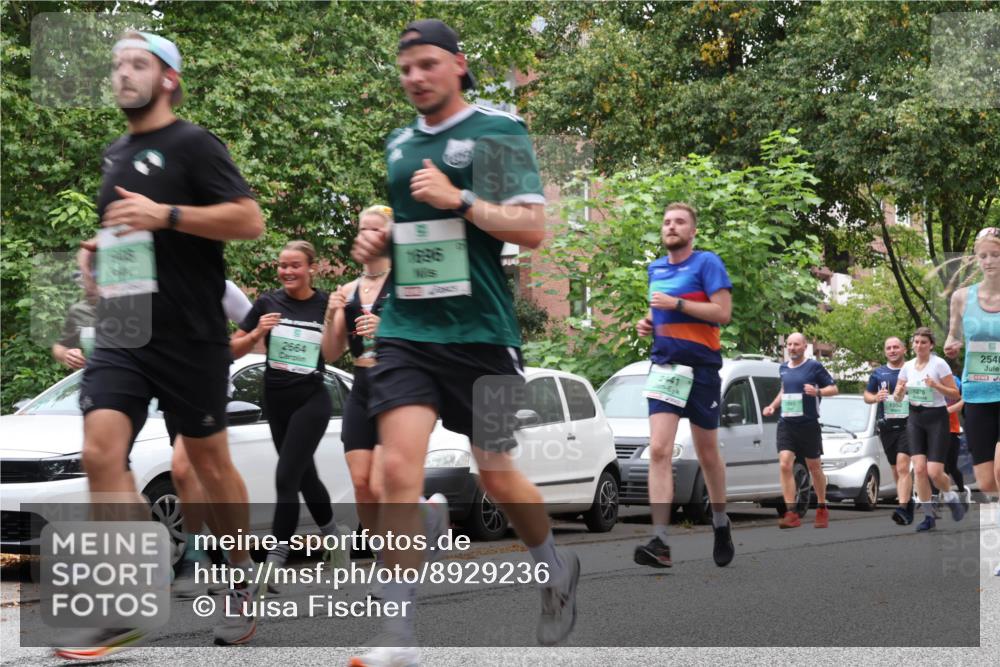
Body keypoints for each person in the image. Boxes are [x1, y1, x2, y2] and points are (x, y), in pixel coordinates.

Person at [348, 19, 578, 666]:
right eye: (405, 69)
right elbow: (409, 235)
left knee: (499, 474)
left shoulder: (498, 130)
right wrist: (376, 243)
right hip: (407, 331)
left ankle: (555, 570)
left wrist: (462, 198)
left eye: (426, 64)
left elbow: (532, 230)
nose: (415, 78)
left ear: (458, 64)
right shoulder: (396, 145)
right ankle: (398, 636)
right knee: (396, 470)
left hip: (487, 335)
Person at [56, 32, 264, 660]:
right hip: (123, 330)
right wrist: (97, 255)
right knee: (100, 452)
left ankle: (236, 579)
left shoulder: (195, 144)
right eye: (117, 64)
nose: (122, 74)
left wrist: (167, 214)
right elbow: (126, 230)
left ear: (169, 77)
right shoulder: (115, 153)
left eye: (137, 64)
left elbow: (248, 220)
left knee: (206, 466)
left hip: (189, 334)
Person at [230, 241, 346, 580]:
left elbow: (338, 350)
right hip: (275, 401)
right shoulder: (267, 302)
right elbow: (232, 350)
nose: (287, 271)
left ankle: (275, 559)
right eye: (282, 265)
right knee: (305, 477)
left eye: (295, 265)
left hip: (312, 399)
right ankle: (334, 539)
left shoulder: (326, 303)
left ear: (311, 267)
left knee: (286, 476)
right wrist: (257, 333)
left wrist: (336, 316)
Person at [633, 202, 734, 570]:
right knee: (659, 450)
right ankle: (660, 540)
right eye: (666, 222)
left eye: (679, 222)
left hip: (702, 370)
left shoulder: (707, 263)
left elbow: (722, 313)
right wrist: (649, 322)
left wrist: (676, 304)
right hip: (665, 368)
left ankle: (721, 522)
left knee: (707, 453)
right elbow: (663, 313)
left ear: (692, 232)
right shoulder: (655, 268)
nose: (671, 226)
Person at [171, 279, 253, 599]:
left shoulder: (220, 286)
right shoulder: (159, 284)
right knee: (201, 481)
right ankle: (235, 560)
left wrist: (226, 350)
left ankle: (194, 557)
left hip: (208, 384)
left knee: (183, 469)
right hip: (171, 391)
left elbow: (253, 324)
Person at [945, 226, 1000, 574]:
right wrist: (953, 344)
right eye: (984, 255)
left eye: (996, 254)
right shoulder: (962, 297)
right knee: (987, 481)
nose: (990, 260)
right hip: (978, 394)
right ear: (975, 259)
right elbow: (954, 334)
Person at [762, 333, 838, 529]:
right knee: (785, 464)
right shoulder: (783, 367)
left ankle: (822, 506)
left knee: (814, 467)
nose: (792, 347)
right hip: (787, 423)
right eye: (789, 344)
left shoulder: (814, 367)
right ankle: (791, 512)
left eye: (796, 344)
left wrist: (818, 392)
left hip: (808, 424)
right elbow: (784, 390)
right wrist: (772, 406)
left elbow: (833, 388)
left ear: (805, 346)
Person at [893, 327, 965, 532]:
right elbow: (898, 397)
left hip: (937, 418)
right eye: (916, 342)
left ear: (931, 345)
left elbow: (955, 393)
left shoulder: (939, 364)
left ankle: (950, 496)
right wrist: (898, 393)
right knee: (920, 469)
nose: (919, 346)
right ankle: (928, 516)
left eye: (923, 342)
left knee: (934, 471)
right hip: (915, 418)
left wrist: (936, 386)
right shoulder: (907, 367)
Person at [863, 337, 915, 524]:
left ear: (903, 350)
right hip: (887, 426)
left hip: (909, 424)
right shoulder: (878, 373)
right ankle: (907, 500)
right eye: (888, 348)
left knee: (902, 466)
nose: (892, 350)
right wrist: (876, 396)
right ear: (885, 351)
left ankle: (902, 508)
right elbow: (867, 396)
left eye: (896, 347)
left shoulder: (911, 369)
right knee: (895, 469)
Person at [51, 248, 98, 370]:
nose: (87, 288)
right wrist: (67, 355)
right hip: (98, 378)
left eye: (93, 280)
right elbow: (59, 346)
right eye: (82, 281)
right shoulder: (79, 310)